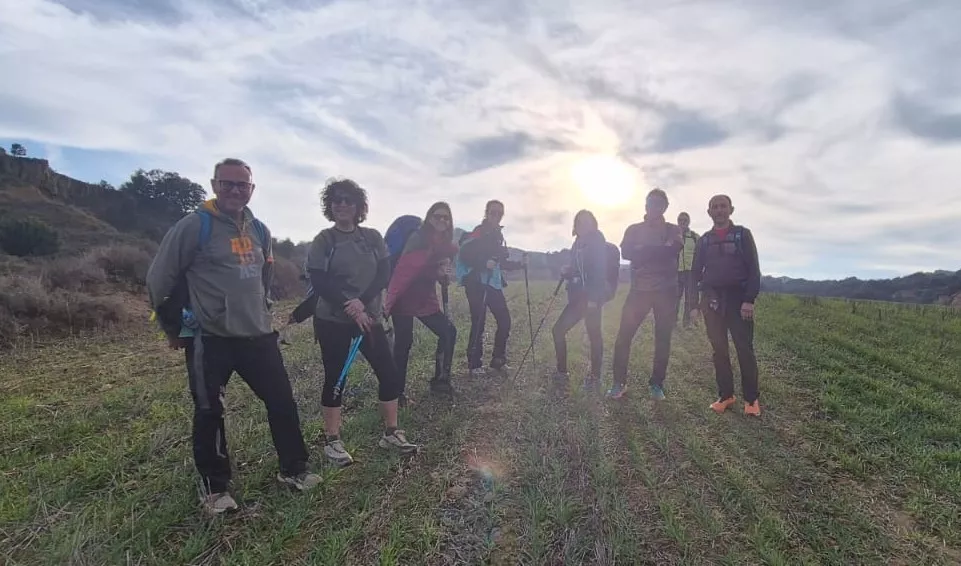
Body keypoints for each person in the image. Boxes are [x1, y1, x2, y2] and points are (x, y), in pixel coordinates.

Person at [146, 157, 319, 516]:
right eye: (228, 183)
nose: (236, 191)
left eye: (243, 185)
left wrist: (264, 307)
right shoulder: (194, 226)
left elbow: (264, 276)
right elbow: (158, 281)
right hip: (210, 338)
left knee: (282, 403)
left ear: (252, 189)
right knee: (211, 411)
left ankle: (294, 470)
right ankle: (215, 489)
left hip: (258, 335)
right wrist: (174, 329)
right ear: (214, 185)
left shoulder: (259, 229)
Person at [306, 178, 419, 468]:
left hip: (369, 318)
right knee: (337, 378)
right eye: (337, 200)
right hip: (332, 320)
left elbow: (383, 274)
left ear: (359, 206)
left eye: (348, 200)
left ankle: (391, 433)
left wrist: (361, 302)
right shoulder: (324, 240)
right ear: (330, 206)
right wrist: (348, 304)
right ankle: (332, 440)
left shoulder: (371, 237)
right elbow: (319, 281)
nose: (342, 204)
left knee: (389, 373)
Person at [689, 194, 761, 417]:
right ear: (709, 212)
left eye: (723, 206)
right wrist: (693, 305)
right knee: (718, 350)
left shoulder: (742, 235)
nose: (719, 210)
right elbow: (694, 274)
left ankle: (751, 399)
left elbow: (753, 269)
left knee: (744, 350)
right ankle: (726, 395)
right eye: (715, 207)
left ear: (731, 210)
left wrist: (749, 299)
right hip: (712, 301)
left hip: (739, 301)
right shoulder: (704, 241)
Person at [608, 188, 683, 400]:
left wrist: (643, 251)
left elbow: (673, 249)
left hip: (666, 292)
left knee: (663, 339)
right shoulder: (633, 229)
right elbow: (627, 252)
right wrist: (658, 249)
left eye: (659, 203)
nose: (654, 207)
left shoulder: (673, 229)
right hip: (639, 291)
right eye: (650, 202)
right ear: (645, 205)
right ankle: (618, 383)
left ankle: (656, 384)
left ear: (665, 207)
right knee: (623, 337)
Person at [383, 202, 459, 402]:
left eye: (446, 217)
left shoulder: (445, 244)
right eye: (437, 216)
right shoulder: (418, 240)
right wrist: (388, 303)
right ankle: (396, 393)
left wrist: (443, 276)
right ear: (429, 218)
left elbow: (437, 273)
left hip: (425, 299)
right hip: (404, 298)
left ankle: (441, 382)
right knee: (403, 344)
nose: (442, 220)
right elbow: (404, 272)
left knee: (448, 332)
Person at [456, 199, 526, 377]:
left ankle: (498, 360)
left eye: (499, 213)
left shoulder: (497, 236)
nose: (496, 216)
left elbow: (499, 263)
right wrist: (482, 262)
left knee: (505, 321)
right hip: (476, 283)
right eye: (493, 212)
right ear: (486, 213)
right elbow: (463, 254)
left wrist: (519, 265)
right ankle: (474, 364)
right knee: (478, 323)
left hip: (493, 284)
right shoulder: (479, 232)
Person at [552, 210, 610, 393]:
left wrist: (594, 298)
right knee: (558, 330)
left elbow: (600, 272)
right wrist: (567, 271)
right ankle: (562, 372)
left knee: (594, 336)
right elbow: (578, 270)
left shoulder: (597, 242)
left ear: (593, 224)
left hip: (591, 298)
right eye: (579, 223)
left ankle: (595, 378)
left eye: (586, 222)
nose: (582, 226)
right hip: (578, 298)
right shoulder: (577, 243)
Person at [676, 212, 700, 328]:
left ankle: (686, 323)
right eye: (680, 220)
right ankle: (672, 322)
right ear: (677, 221)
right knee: (675, 297)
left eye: (685, 220)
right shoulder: (673, 236)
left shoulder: (695, 237)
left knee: (689, 299)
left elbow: (700, 254)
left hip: (691, 272)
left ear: (689, 221)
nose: (683, 222)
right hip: (676, 271)